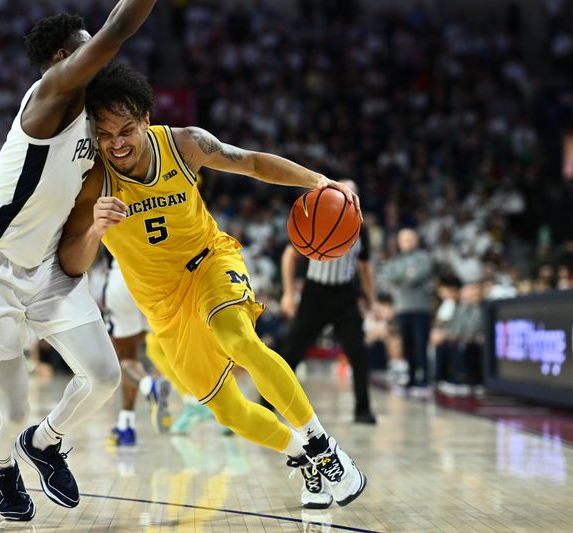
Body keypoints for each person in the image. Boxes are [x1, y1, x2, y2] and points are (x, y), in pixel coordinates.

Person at [58, 62, 367, 510]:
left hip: (208, 263)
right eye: (104, 134)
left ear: (147, 118)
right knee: (227, 409)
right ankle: (304, 459)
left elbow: (254, 163)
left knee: (236, 336)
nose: (116, 142)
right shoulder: (94, 181)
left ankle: (324, 447)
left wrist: (319, 180)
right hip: (162, 307)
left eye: (125, 129)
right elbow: (71, 263)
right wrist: (92, 231)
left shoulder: (184, 144)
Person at [0, 2, 156, 522]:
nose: (100, 55)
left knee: (105, 376)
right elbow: (121, 26)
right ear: (65, 58)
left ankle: (44, 441)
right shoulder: (52, 94)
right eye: (89, 46)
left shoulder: (93, 119)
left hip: (45, 267)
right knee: (11, 405)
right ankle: (1, 464)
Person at [268, 182, 377, 424]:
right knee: (291, 352)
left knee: (357, 353)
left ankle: (363, 410)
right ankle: (267, 405)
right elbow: (289, 255)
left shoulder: (362, 229)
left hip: (346, 295)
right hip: (315, 295)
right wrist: (287, 293)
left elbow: (365, 267)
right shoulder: (318, 216)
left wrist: (372, 299)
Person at [103, 257, 173, 445]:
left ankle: (149, 386)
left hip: (122, 276)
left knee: (123, 359)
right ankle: (126, 425)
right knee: (132, 358)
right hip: (152, 280)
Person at [380, 228, 434, 395]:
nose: (407, 243)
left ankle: (424, 380)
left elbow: (417, 275)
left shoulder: (423, 257)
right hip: (402, 308)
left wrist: (401, 277)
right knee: (407, 345)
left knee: (421, 344)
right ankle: (411, 378)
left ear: (416, 240)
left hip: (420, 308)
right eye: (404, 240)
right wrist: (406, 274)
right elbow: (388, 275)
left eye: (410, 239)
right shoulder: (395, 259)